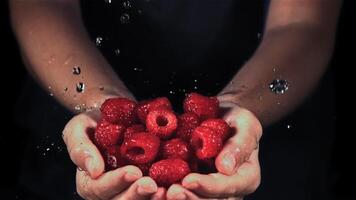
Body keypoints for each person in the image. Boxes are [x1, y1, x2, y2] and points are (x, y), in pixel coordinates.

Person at [9, 0, 341, 199]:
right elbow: (43, 6)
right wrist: (102, 106)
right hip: (74, 125)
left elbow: (303, 23)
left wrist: (239, 109)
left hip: (274, 148)